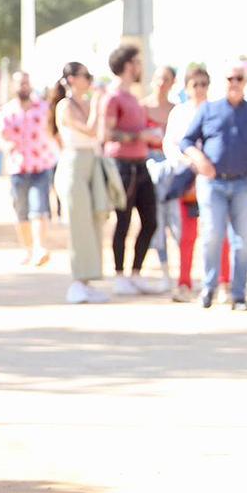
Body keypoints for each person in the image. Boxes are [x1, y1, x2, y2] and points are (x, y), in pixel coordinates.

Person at [180, 60, 247, 310]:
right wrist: (198, 158)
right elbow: (186, 141)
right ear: (222, 82)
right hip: (213, 183)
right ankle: (209, 287)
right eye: (229, 79)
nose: (234, 83)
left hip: (245, 183)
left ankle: (238, 294)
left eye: (238, 79)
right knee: (212, 235)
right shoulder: (208, 110)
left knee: (243, 241)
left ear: (245, 82)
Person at [100, 45, 162, 294]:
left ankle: (135, 272)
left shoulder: (133, 96)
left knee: (150, 220)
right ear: (128, 65)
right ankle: (119, 274)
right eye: (137, 62)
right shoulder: (112, 97)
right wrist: (140, 135)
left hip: (140, 163)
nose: (140, 67)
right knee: (123, 221)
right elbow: (107, 133)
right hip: (122, 165)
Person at [49, 62, 111, 304]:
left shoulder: (85, 103)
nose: (90, 79)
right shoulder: (65, 106)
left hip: (91, 163)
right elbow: (91, 130)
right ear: (73, 79)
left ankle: (88, 280)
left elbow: (100, 134)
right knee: (79, 224)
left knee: (95, 220)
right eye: (86, 75)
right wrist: (97, 105)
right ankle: (77, 281)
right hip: (74, 164)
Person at [161, 66, 222, 302]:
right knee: (187, 235)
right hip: (188, 180)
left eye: (204, 84)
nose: (199, 89)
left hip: (213, 178)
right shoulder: (180, 113)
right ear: (186, 88)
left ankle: (222, 282)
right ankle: (184, 282)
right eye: (195, 84)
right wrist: (188, 161)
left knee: (219, 232)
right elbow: (170, 144)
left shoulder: (216, 110)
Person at [0, 71, 56, 265]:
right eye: (20, 83)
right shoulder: (6, 112)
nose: (24, 86)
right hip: (18, 167)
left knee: (40, 208)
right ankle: (28, 249)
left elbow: (55, 131)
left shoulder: (43, 109)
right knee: (21, 211)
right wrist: (6, 147)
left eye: (26, 83)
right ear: (13, 86)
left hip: (41, 165)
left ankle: (39, 247)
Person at [143, 66, 180, 291]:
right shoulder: (142, 108)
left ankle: (181, 271)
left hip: (173, 169)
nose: (161, 83)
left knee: (175, 219)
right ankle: (164, 269)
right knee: (157, 219)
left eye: (166, 79)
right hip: (149, 169)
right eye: (158, 78)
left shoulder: (177, 110)